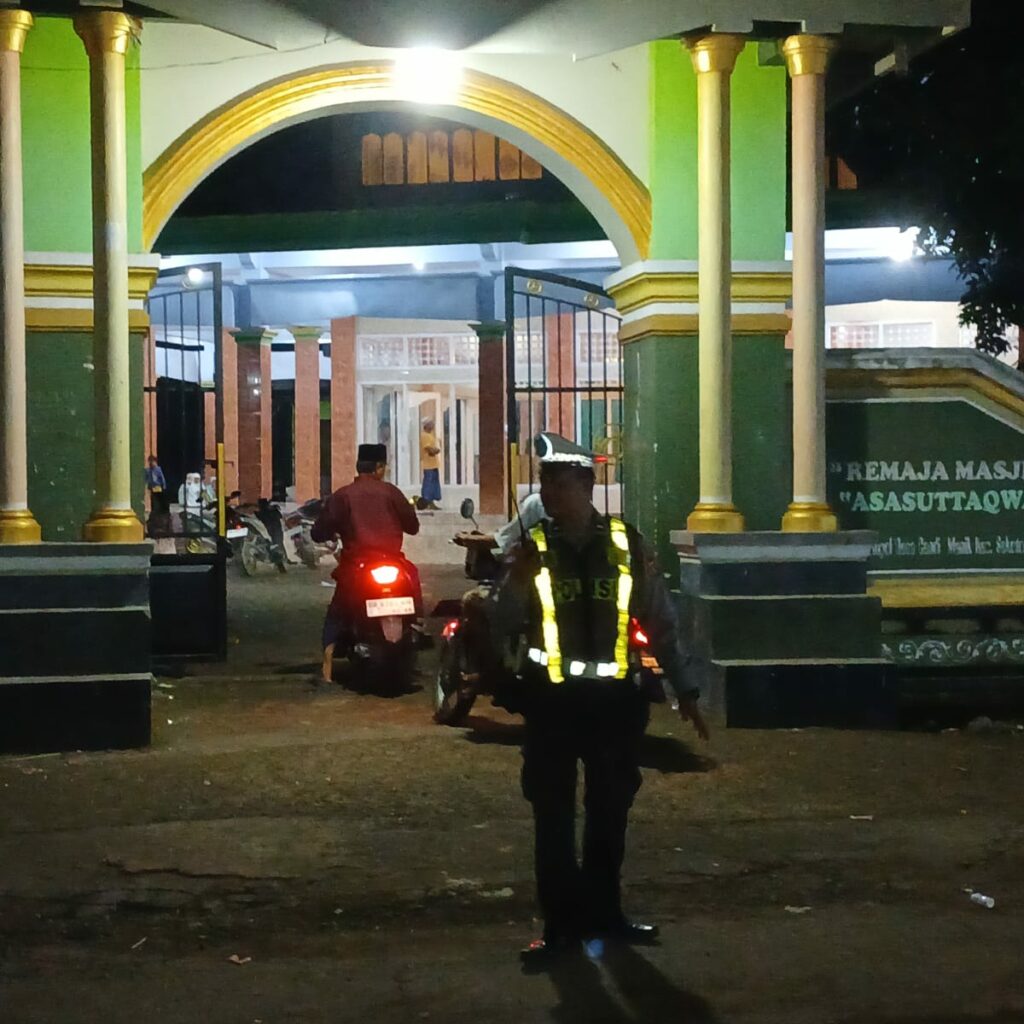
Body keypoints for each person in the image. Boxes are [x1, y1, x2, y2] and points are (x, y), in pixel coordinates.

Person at [480, 431, 709, 969]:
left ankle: (606, 915)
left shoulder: (627, 545)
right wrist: (511, 583)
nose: (550, 496)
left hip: (613, 705)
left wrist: (687, 690)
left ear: (587, 486)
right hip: (553, 705)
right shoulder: (532, 549)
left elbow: (661, 620)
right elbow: (504, 622)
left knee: (609, 814)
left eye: (559, 485)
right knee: (553, 819)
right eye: (545, 486)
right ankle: (561, 928)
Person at [311, 443, 421, 683]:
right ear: (379, 468)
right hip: (393, 562)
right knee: (412, 579)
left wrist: (333, 532)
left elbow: (318, 532)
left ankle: (327, 669)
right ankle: (417, 623)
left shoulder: (343, 495)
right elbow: (413, 527)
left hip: (357, 565)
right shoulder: (391, 492)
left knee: (337, 612)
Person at [420, 418, 442, 510]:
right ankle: (427, 501)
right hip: (428, 465)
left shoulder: (430, 435)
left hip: (433, 464)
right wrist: (435, 451)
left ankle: (431, 502)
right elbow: (428, 449)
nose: (433, 426)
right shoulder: (424, 436)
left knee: (434, 484)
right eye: (431, 424)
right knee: (429, 483)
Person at [144, 455, 170, 532]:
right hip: (152, 488)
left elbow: (162, 478)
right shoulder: (148, 470)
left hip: (158, 487)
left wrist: (164, 486)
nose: (151, 463)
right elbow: (146, 479)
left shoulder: (158, 469)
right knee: (154, 500)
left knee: (159, 499)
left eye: (152, 462)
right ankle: (155, 511)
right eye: (150, 462)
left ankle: (159, 510)